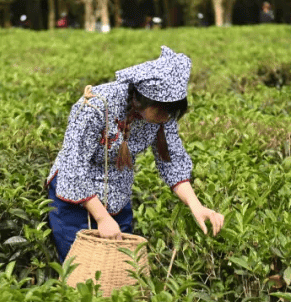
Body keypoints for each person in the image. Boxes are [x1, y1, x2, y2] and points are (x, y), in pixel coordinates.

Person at [45, 46, 224, 262]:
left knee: (122, 273)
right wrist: (102, 218)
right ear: (143, 99)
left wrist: (197, 206)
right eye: (162, 110)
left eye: (172, 112)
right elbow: (74, 165)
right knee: (82, 270)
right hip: (75, 200)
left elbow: (172, 162)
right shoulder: (95, 105)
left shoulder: (162, 116)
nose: (166, 117)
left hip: (118, 196)